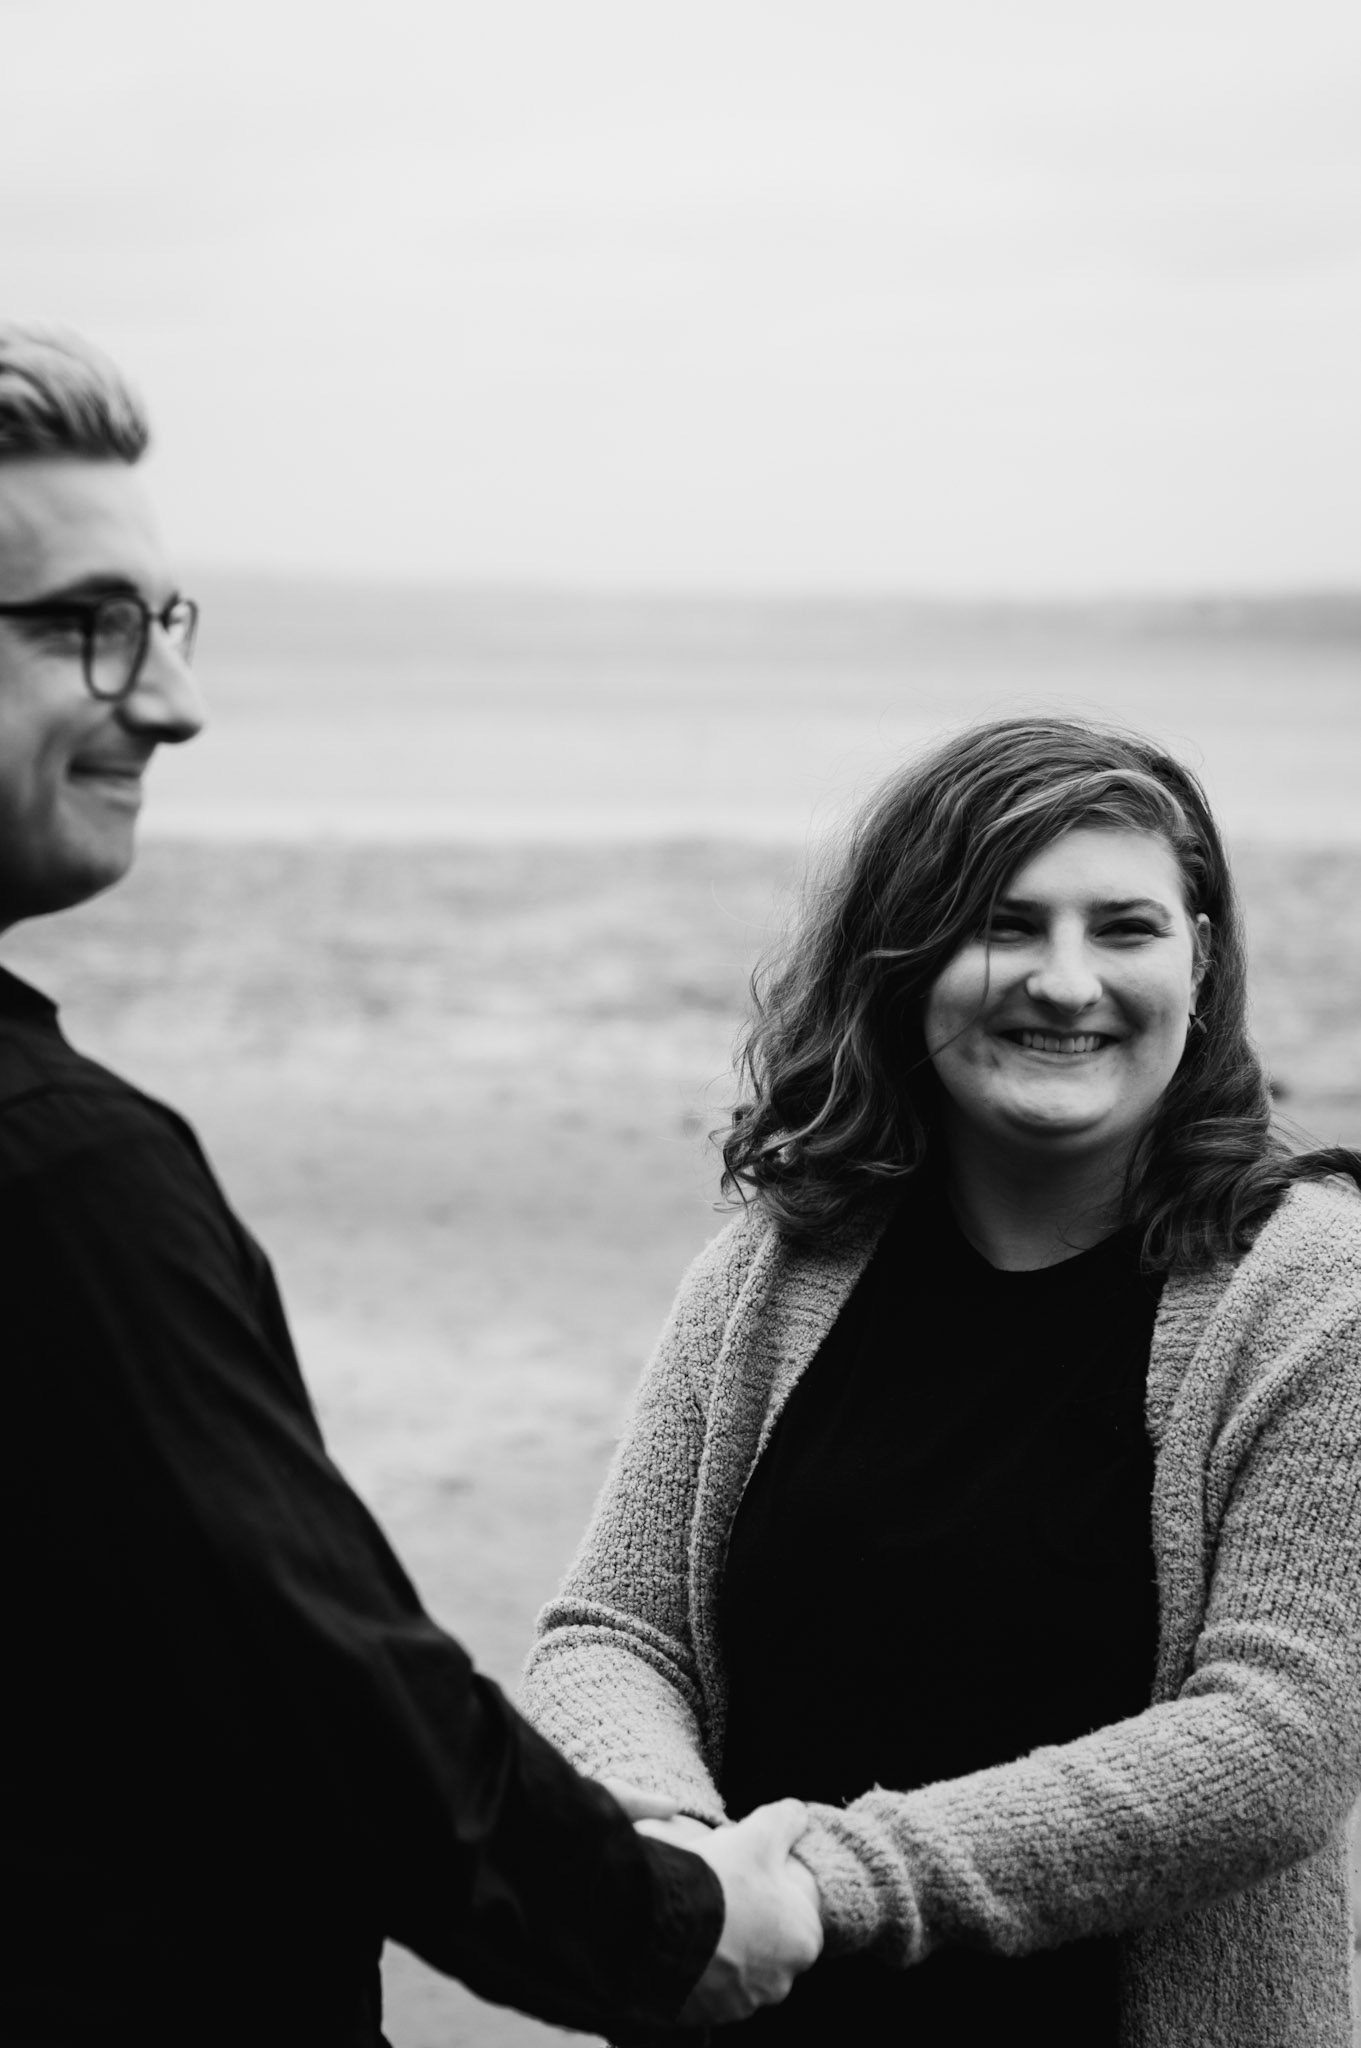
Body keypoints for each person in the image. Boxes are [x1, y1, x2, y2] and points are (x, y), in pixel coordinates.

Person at [0, 323, 821, 2047]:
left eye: (167, 619)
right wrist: (674, 1928)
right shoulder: (60, 1181)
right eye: (87, 624)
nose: (175, 699)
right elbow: (327, 1688)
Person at [521, 715, 1361, 2046]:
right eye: (1003, 925)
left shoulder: (1312, 1289)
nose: (1066, 983)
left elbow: (1279, 1741)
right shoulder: (775, 1269)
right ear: (902, 957)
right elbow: (615, 1634)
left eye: (1125, 929)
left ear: (1200, 959)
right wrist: (676, 1854)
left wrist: (821, 1885)